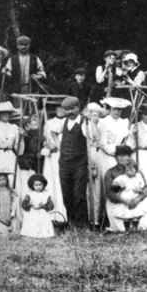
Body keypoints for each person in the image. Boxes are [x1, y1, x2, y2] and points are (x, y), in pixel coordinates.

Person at [57, 96, 88, 227]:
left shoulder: (85, 123)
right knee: (66, 194)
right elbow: (53, 134)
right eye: (66, 110)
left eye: (72, 109)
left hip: (79, 163)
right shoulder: (62, 123)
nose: (69, 112)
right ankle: (71, 222)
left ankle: (81, 224)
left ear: (78, 108)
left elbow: (91, 140)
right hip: (64, 163)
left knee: (79, 194)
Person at [103, 146, 147, 231]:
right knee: (121, 227)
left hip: (135, 200)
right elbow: (110, 193)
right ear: (115, 157)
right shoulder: (111, 172)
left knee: (143, 222)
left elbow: (146, 189)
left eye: (124, 155)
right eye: (119, 155)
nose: (121, 158)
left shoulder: (136, 171)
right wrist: (124, 200)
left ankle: (136, 226)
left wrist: (138, 199)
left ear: (129, 157)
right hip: (119, 201)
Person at [0, 101, 21, 185]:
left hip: (10, 155)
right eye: (3, 113)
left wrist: (21, 138)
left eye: (7, 113)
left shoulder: (14, 127)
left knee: (12, 178)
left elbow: (18, 147)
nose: (5, 115)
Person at [109, 159, 147, 225]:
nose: (129, 172)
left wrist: (139, 190)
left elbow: (143, 186)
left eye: (132, 170)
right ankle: (127, 229)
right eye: (127, 170)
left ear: (136, 170)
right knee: (126, 215)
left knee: (136, 215)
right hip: (126, 198)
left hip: (135, 197)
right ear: (125, 171)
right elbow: (114, 184)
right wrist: (118, 187)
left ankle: (135, 227)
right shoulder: (123, 177)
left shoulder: (138, 177)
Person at [20, 174, 54, 238]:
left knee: (43, 223)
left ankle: (44, 234)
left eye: (40, 184)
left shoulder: (46, 194)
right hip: (32, 212)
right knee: (32, 223)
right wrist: (29, 205)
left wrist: (44, 206)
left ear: (43, 184)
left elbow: (51, 205)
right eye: (36, 185)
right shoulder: (29, 194)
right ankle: (31, 234)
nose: (38, 187)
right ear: (32, 185)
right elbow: (24, 204)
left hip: (42, 212)